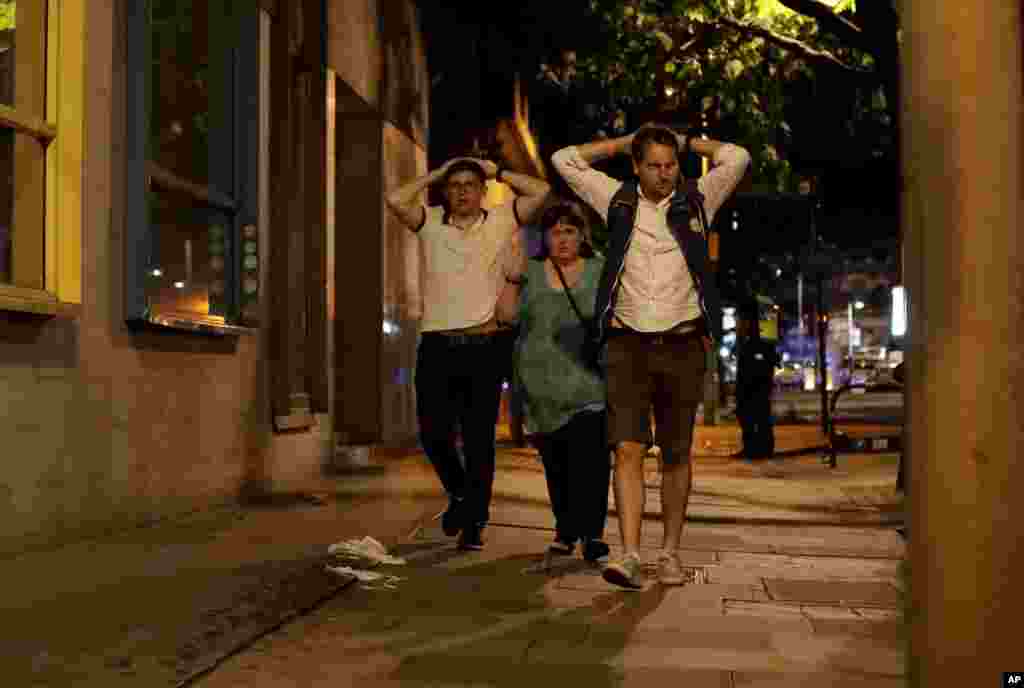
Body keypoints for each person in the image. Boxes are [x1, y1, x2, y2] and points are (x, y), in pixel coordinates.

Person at [552, 124, 750, 588]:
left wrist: (687, 144)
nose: (664, 174)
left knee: (676, 454)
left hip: (683, 344)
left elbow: (737, 156)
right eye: (654, 165)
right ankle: (630, 554)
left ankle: (670, 554)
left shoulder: (699, 198)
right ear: (636, 167)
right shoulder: (616, 200)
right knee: (626, 447)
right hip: (627, 345)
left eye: (670, 165)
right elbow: (565, 158)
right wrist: (621, 144)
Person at [385, 157, 550, 551]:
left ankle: (475, 520)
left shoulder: (500, 219)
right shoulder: (430, 222)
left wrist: (496, 171)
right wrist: (435, 173)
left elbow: (541, 191)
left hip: (484, 347)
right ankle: (461, 495)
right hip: (437, 346)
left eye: (469, 184)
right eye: (454, 184)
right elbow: (394, 198)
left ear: (481, 190)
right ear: (446, 190)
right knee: (433, 434)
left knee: (478, 440)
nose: (461, 190)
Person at [498, 201, 612, 564]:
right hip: (540, 387)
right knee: (557, 464)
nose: (562, 239)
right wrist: (512, 279)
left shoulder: (601, 269)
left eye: (569, 231)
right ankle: (566, 530)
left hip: (589, 384)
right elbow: (505, 316)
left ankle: (592, 535)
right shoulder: (529, 272)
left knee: (592, 463)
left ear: (582, 236)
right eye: (555, 232)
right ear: (544, 238)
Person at [732, 304, 780, 460]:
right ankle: (753, 448)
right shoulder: (748, 341)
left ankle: (760, 448)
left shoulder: (758, 341)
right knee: (751, 417)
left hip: (755, 387)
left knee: (758, 416)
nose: (738, 324)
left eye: (741, 320)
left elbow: (761, 365)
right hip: (751, 387)